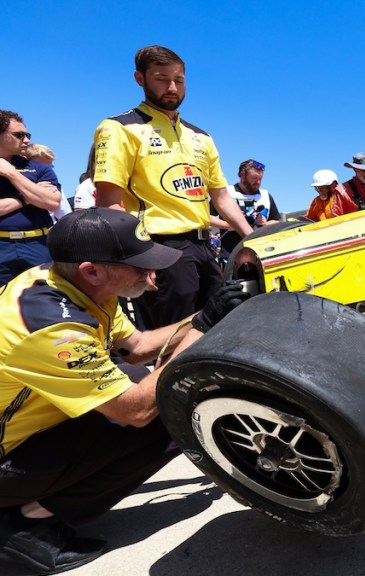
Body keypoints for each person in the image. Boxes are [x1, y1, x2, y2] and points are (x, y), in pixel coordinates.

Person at [0, 208, 250, 574]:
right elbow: (136, 411)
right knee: (171, 408)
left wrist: (204, 317)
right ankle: (22, 522)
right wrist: (201, 330)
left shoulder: (70, 282)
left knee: (134, 373)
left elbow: (138, 345)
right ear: (92, 269)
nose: (153, 273)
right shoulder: (53, 327)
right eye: (139, 265)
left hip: (20, 430)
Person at [93, 45, 252, 329]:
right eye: (161, 78)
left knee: (222, 328)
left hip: (205, 247)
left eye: (178, 80)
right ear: (140, 79)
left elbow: (222, 197)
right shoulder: (119, 128)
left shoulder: (201, 136)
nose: (172, 87)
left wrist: (254, 238)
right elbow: (109, 204)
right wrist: (139, 258)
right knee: (174, 335)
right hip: (159, 246)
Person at [0, 110, 62, 285]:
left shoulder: (38, 168)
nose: (26, 140)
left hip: (38, 245)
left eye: (27, 135)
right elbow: (40, 198)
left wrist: (11, 174)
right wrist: (26, 198)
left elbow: (51, 202)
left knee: (43, 301)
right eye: (19, 135)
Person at [210, 159, 282, 254]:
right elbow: (207, 216)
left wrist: (265, 225)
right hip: (231, 254)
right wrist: (230, 225)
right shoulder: (226, 194)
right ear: (242, 175)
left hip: (260, 252)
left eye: (260, 178)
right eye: (254, 178)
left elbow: (276, 220)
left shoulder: (265, 195)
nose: (258, 182)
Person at [25, 144, 72, 222]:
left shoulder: (52, 187)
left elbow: (64, 215)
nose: (46, 172)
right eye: (41, 167)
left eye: (49, 167)